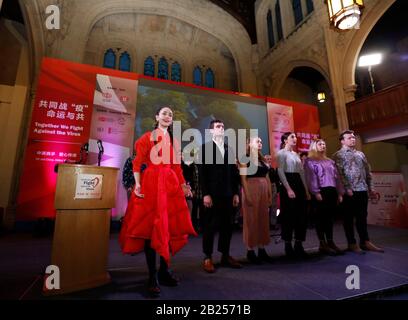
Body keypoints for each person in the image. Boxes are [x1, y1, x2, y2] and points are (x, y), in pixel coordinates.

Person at [119, 106, 197, 297]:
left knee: (168, 228)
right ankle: (152, 276)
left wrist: (184, 185)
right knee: (150, 229)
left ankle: (164, 271)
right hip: (151, 184)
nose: (168, 116)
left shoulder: (175, 141)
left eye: (171, 114)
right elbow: (137, 164)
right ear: (156, 117)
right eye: (164, 113)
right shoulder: (146, 138)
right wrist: (137, 184)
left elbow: (177, 167)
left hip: (170, 186)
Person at [199, 119, 242, 273]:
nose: (222, 128)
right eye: (218, 126)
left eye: (223, 126)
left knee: (227, 226)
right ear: (211, 131)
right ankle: (207, 257)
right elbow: (202, 175)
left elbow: (234, 174)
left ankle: (225, 255)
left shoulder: (229, 149)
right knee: (210, 227)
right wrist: (206, 194)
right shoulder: (205, 149)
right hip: (212, 195)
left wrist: (236, 193)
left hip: (228, 195)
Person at [332, 130, 384, 253]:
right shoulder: (338, 155)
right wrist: (347, 188)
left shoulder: (361, 154)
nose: (353, 139)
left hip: (362, 189)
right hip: (349, 191)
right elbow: (339, 174)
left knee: (362, 217)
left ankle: (365, 241)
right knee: (348, 218)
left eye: (353, 137)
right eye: (349, 138)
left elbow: (368, 172)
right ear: (342, 141)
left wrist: (371, 188)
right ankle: (352, 243)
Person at [304, 139, 344, 255]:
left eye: (324, 144)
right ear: (314, 146)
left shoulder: (330, 161)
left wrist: (340, 192)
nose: (323, 146)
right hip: (320, 190)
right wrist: (316, 192)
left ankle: (330, 241)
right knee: (320, 218)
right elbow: (311, 177)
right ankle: (322, 243)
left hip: (331, 190)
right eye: (320, 144)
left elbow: (337, 177)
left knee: (329, 218)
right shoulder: (310, 161)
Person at [239, 137, 273, 264]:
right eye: (257, 141)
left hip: (263, 190)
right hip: (251, 189)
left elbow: (267, 178)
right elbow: (243, 179)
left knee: (263, 219)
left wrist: (269, 194)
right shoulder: (244, 158)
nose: (260, 143)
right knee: (251, 220)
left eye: (261, 141)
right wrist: (247, 195)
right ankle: (250, 250)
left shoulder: (263, 160)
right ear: (249, 144)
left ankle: (262, 248)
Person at [277, 132, 310, 259]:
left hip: (299, 184)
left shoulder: (296, 154)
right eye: (292, 137)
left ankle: (299, 244)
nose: (295, 139)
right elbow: (280, 171)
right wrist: (288, 189)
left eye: (295, 137)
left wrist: (306, 190)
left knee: (301, 215)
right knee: (288, 216)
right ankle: (288, 245)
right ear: (285, 140)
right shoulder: (281, 153)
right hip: (288, 184)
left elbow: (301, 173)